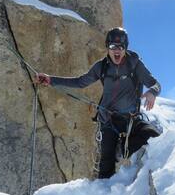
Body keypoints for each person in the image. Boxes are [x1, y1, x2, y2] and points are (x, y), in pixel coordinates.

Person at [33, 27, 161, 178]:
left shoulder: (134, 64)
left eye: (121, 47)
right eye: (113, 46)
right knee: (105, 168)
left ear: (126, 48)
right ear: (108, 47)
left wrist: (152, 92)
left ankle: (124, 151)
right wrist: (50, 80)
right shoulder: (102, 67)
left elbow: (156, 84)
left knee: (153, 135)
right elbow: (80, 82)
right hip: (108, 121)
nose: (117, 51)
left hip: (131, 119)